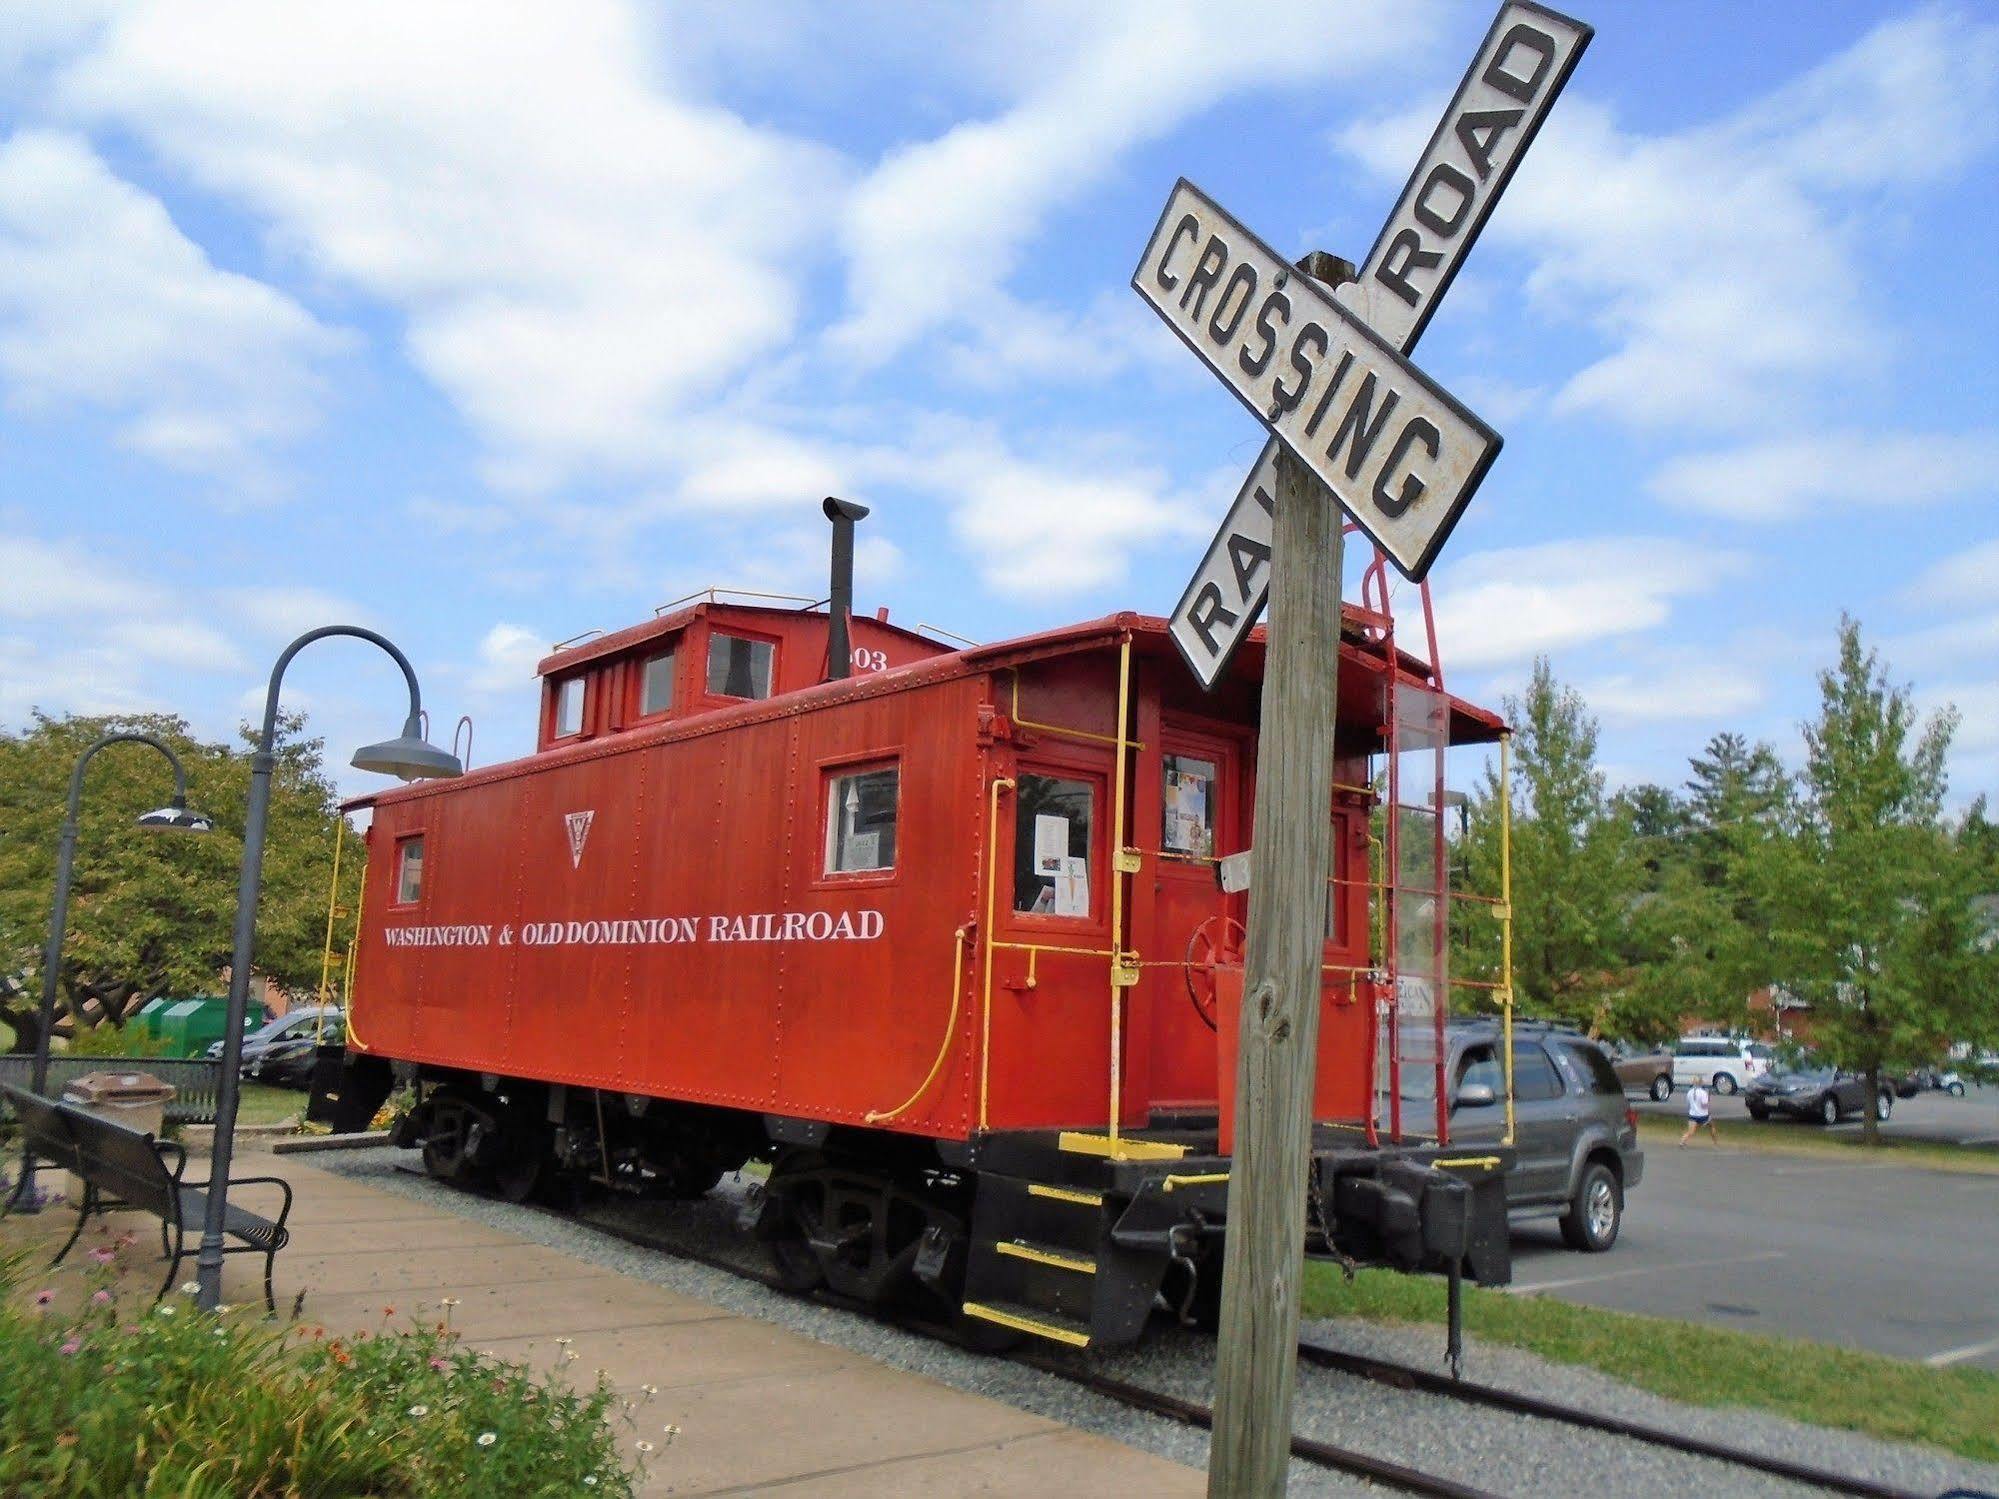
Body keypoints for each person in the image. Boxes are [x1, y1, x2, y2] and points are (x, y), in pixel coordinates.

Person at [1678, 1080, 1718, 1147]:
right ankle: (1715, 1142)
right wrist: (1708, 1100)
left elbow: (1688, 1103)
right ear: (1701, 1083)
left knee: (1690, 1131)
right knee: (1711, 1126)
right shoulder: (1703, 1093)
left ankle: (1682, 1141)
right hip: (1703, 1115)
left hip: (1692, 1115)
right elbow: (1704, 1105)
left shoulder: (1689, 1092)